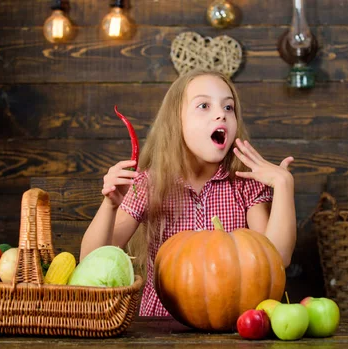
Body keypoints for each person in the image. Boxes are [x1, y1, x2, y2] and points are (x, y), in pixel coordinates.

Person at [80, 69, 296, 316]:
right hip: (160, 329)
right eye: (204, 105)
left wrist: (283, 185)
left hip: (232, 327)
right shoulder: (150, 184)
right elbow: (90, 259)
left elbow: (277, 258)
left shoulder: (246, 183)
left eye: (228, 108)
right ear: (176, 122)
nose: (220, 115)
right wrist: (110, 206)